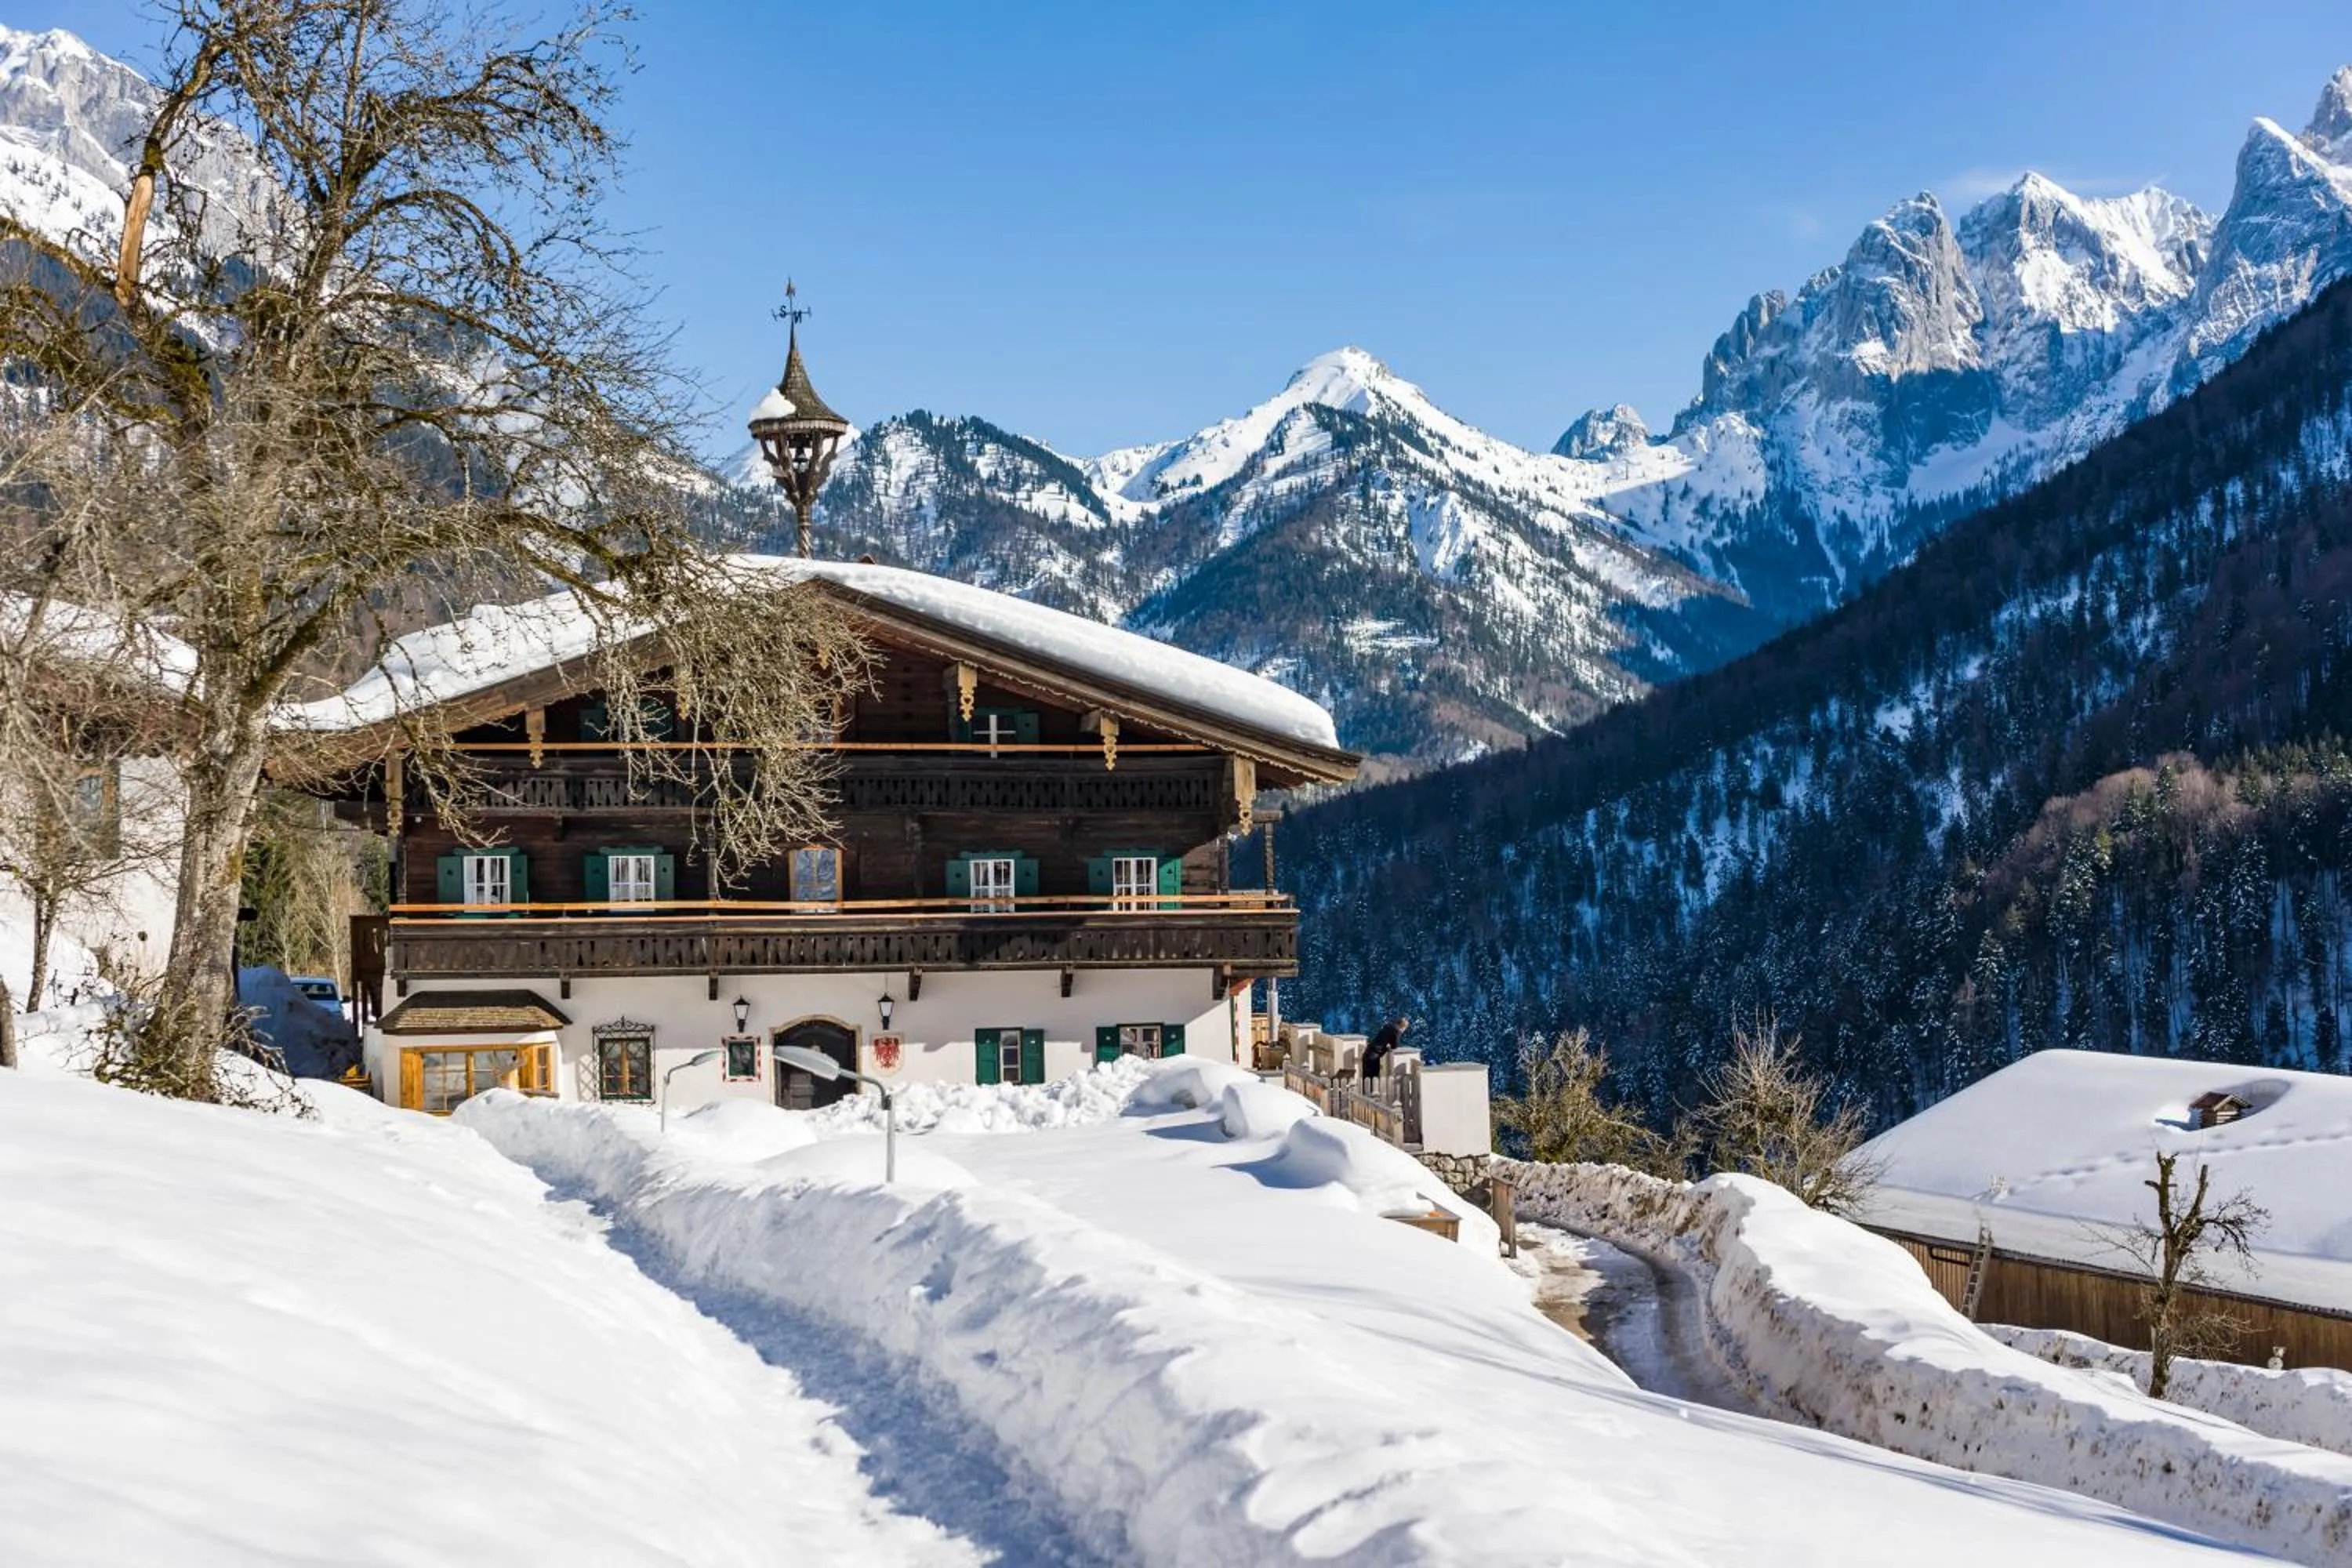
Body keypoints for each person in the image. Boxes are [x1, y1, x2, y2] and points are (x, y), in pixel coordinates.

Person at [1361, 1015, 1408, 1084]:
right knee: (1373, 1078)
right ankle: (1370, 1093)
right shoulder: (1397, 1030)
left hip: (1368, 1052)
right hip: (1374, 1055)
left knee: (1366, 1078)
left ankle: (1365, 1092)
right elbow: (1395, 1046)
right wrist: (1389, 1046)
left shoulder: (1389, 1026)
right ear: (1403, 1027)